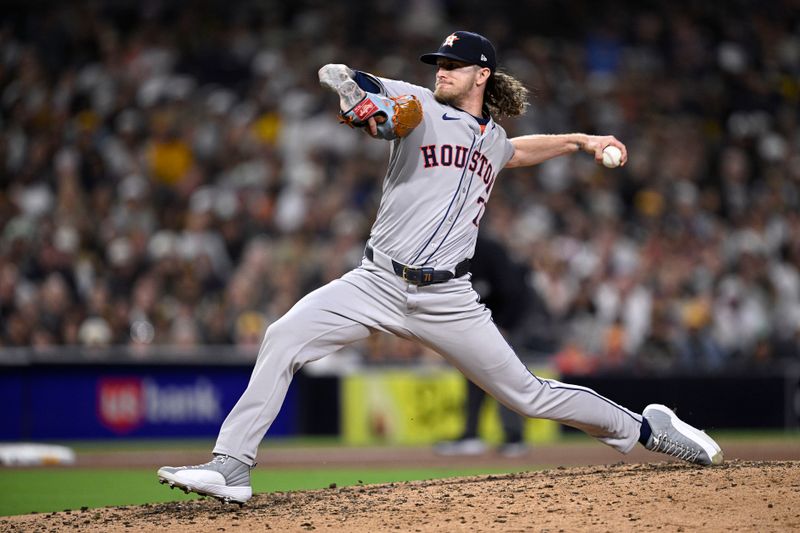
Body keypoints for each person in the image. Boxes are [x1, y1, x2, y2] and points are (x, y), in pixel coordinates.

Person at [157, 31, 723, 505]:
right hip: (375, 282)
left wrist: (577, 140)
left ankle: (649, 429)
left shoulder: (494, 140)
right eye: (438, 63)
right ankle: (232, 465)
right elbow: (384, 106)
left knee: (527, 395)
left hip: (448, 299)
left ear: (482, 75)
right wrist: (355, 91)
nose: (441, 71)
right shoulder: (418, 104)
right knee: (282, 336)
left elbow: (519, 149)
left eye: (452, 65)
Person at [434, 235, 531, 458]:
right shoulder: (451, 251)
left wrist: (505, 326)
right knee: (473, 375)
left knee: (505, 377)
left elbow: (513, 291)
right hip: (480, 323)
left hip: (509, 319)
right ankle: (471, 434)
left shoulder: (488, 249)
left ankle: (514, 437)